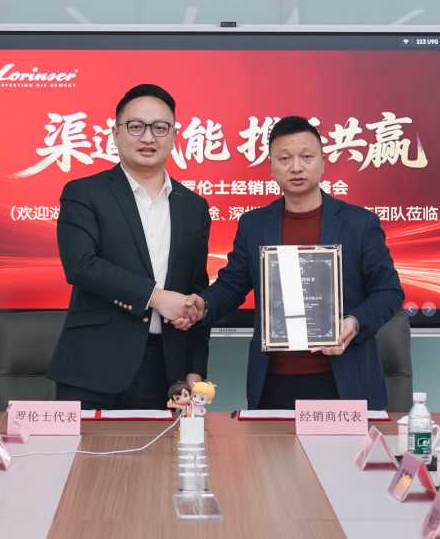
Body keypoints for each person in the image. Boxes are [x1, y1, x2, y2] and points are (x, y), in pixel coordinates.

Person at [174, 115, 404, 410]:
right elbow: (232, 285)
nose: (296, 167)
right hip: (274, 381)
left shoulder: (359, 224)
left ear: (322, 162)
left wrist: (354, 323)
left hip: (343, 379)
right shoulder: (254, 225)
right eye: (284, 158)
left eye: (306, 157)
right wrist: (203, 305)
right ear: (271, 166)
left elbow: (389, 292)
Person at [48, 84, 210, 409]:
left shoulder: (193, 206)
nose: (148, 137)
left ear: (174, 135)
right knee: (86, 447)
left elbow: (196, 290)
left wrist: (195, 369)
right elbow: (81, 265)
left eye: (160, 127)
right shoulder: (84, 193)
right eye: (136, 126)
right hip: (93, 367)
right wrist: (156, 297)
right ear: (116, 133)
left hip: (167, 372)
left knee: (161, 447)